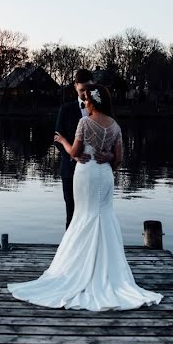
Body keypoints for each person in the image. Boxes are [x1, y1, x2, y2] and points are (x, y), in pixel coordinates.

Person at [6, 84, 163, 311]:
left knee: (84, 216)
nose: (85, 103)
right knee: (104, 216)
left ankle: (78, 269)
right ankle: (108, 270)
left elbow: (74, 153)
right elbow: (118, 161)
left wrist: (62, 141)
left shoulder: (85, 123)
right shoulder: (115, 126)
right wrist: (108, 155)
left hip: (87, 174)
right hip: (105, 175)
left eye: (87, 99)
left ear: (93, 102)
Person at [54, 69, 113, 229]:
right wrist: (74, 156)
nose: (85, 93)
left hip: (97, 172)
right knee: (71, 212)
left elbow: (113, 144)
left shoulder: (106, 113)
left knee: (95, 213)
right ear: (75, 87)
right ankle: (71, 250)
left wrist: (109, 155)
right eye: (81, 90)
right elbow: (57, 139)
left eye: (89, 89)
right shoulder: (65, 109)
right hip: (70, 170)